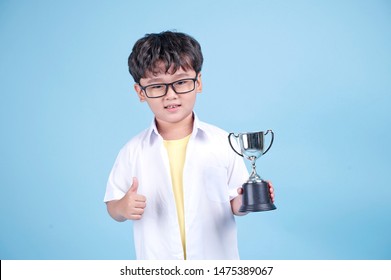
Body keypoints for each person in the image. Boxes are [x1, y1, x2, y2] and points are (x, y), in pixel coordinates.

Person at [104, 31, 274, 260]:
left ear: (199, 82)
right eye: (156, 86)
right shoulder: (133, 151)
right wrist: (123, 207)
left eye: (182, 82)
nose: (171, 95)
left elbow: (235, 203)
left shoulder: (224, 143)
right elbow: (112, 206)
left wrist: (252, 197)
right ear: (140, 92)